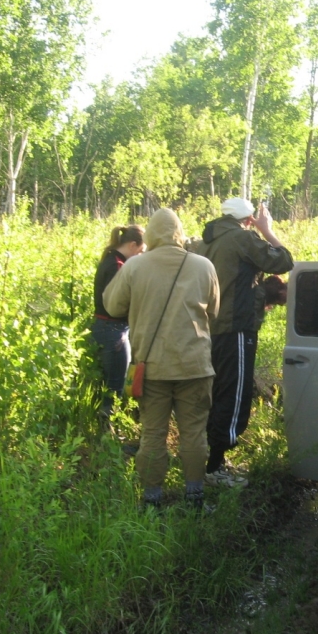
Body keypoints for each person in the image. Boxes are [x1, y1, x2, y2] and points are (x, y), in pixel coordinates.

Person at [102, 208, 219, 510]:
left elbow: (113, 306)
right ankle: (195, 497)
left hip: (151, 367)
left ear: (150, 235)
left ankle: (151, 499)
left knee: (152, 434)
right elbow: (214, 311)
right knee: (194, 432)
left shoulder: (135, 266)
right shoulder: (204, 266)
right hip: (194, 366)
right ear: (179, 233)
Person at [192, 197, 295, 487]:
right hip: (236, 328)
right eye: (254, 220)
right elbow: (284, 261)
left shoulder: (208, 240)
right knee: (234, 395)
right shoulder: (241, 238)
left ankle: (210, 461)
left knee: (215, 393)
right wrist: (267, 230)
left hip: (211, 327)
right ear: (249, 219)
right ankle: (215, 468)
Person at [91, 224, 145, 422]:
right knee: (115, 384)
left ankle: (107, 427)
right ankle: (107, 432)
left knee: (111, 381)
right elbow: (119, 300)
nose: (141, 256)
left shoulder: (111, 258)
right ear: (132, 245)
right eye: (141, 251)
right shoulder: (117, 266)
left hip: (106, 327)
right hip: (113, 329)